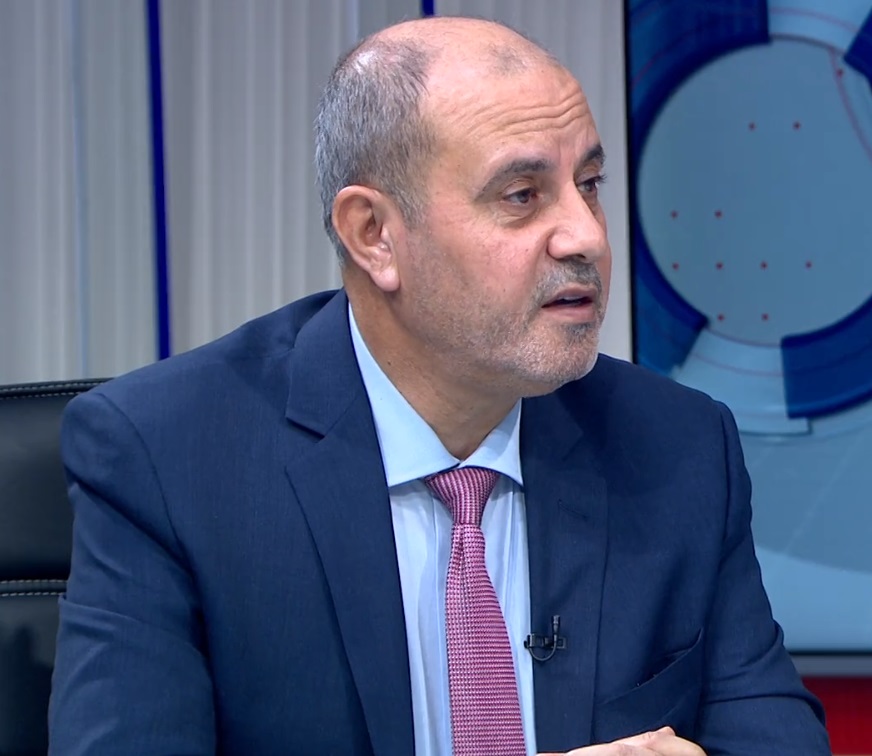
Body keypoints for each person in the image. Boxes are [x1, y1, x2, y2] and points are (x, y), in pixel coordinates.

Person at [47, 15, 830, 756]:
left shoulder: (678, 447)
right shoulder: (168, 458)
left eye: (589, 183)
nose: (587, 236)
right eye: (521, 196)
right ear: (374, 235)